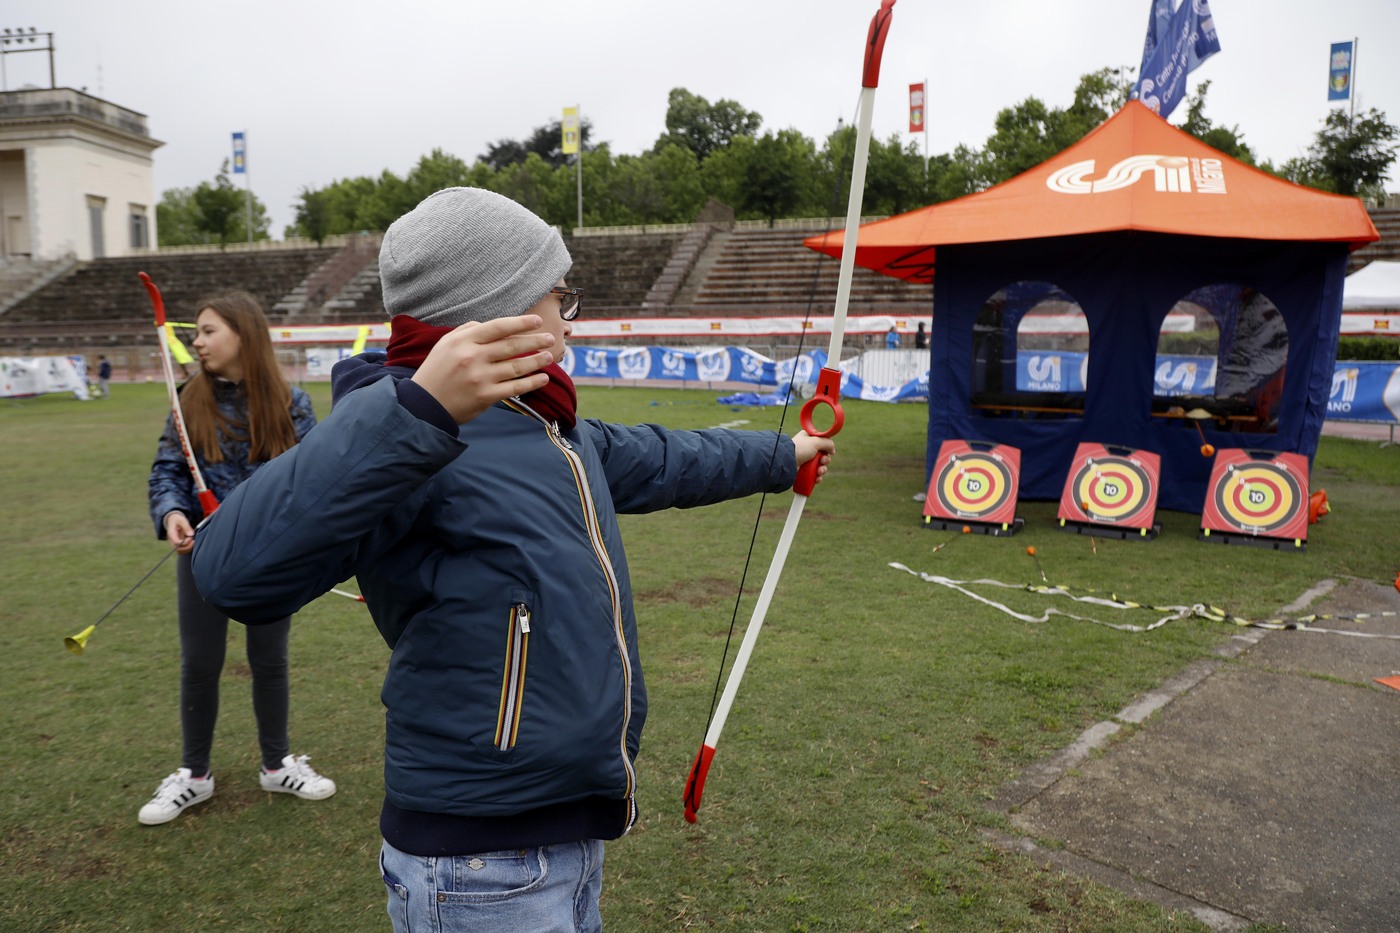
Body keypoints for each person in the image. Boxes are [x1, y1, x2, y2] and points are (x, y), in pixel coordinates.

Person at [190, 187, 835, 932]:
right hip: (477, 864)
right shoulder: (408, 427)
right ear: (498, 304)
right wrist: (420, 411)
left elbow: (666, 457)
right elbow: (230, 570)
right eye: (561, 294)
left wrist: (782, 454)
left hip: (562, 836)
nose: (569, 315)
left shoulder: (547, 424)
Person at [142, 291, 335, 826]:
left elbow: (310, 482)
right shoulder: (187, 399)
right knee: (200, 663)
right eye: (195, 333)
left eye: (207, 331)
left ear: (243, 336)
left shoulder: (293, 402)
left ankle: (276, 764)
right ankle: (194, 776)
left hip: (269, 560)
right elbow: (167, 471)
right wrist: (172, 513)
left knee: (269, 661)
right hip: (201, 554)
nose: (196, 342)